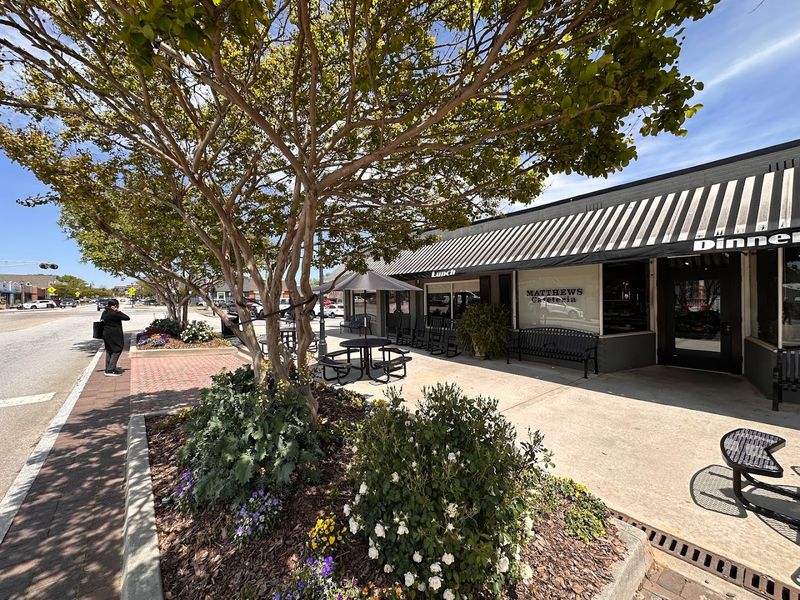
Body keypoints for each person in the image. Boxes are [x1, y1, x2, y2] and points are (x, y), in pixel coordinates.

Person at [101, 299, 130, 376]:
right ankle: (110, 370)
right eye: (117, 306)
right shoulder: (114, 313)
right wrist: (118, 311)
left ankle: (109, 368)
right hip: (114, 334)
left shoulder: (105, 312)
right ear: (113, 306)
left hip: (106, 334)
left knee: (109, 350)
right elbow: (127, 317)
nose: (118, 307)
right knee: (117, 349)